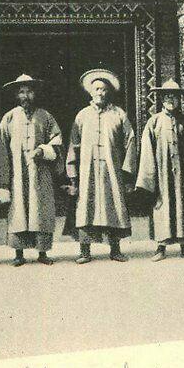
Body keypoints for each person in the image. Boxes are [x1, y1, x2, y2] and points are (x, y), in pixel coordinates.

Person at [0, 74, 64, 266]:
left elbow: (57, 141)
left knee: (40, 209)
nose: (26, 95)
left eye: (29, 91)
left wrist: (43, 150)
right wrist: (2, 180)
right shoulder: (9, 118)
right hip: (16, 175)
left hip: (39, 173)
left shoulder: (45, 116)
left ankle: (42, 252)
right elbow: (0, 147)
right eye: (22, 92)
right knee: (18, 211)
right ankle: (18, 253)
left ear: (35, 93)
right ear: (17, 95)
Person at [65, 69, 137, 264]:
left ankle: (115, 249)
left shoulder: (119, 114)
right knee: (85, 208)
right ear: (90, 92)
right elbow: (74, 145)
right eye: (96, 89)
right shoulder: (82, 116)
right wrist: (72, 176)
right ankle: (84, 251)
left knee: (113, 207)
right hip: (87, 172)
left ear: (109, 92)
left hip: (112, 173)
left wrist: (127, 175)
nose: (100, 93)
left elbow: (130, 142)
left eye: (104, 89)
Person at [136, 79, 184, 262]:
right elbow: (147, 152)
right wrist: (149, 178)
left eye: (174, 96)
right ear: (161, 99)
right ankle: (160, 248)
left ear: (179, 99)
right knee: (161, 206)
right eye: (166, 96)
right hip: (161, 175)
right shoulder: (154, 122)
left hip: (182, 175)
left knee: (183, 207)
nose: (170, 100)